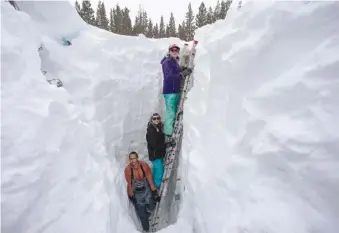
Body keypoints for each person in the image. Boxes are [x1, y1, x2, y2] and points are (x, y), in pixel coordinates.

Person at [160, 44, 192, 136]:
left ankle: (169, 130)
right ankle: (168, 133)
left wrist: (181, 69)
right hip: (170, 91)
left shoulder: (173, 61)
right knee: (171, 113)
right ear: (169, 51)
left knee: (173, 112)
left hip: (174, 90)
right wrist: (182, 74)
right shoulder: (167, 62)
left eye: (176, 50)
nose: (174, 51)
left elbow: (174, 71)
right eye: (172, 50)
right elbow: (169, 76)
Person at [124, 151, 160, 232]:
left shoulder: (144, 166)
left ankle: (149, 210)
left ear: (137, 158)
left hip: (146, 190)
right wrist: (131, 195)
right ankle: (146, 229)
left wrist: (154, 192)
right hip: (137, 194)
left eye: (134, 158)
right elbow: (129, 184)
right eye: (131, 159)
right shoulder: (128, 170)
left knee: (152, 206)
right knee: (142, 214)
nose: (133, 160)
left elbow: (150, 179)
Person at [146, 113, 166, 189]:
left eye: (158, 118)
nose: (156, 120)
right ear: (152, 120)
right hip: (155, 155)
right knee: (159, 172)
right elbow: (154, 145)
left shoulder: (158, 127)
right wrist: (165, 145)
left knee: (156, 171)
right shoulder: (151, 130)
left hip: (157, 155)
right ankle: (157, 188)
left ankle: (153, 186)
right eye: (154, 118)